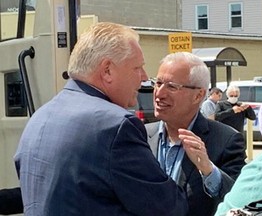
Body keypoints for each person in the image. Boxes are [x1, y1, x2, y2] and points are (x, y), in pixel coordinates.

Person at [14, 22, 188, 215]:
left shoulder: (39, 117)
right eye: (137, 68)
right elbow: (167, 208)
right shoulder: (116, 126)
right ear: (107, 71)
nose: (145, 77)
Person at [145, 52, 247, 216]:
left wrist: (208, 170)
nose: (159, 93)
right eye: (157, 83)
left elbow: (238, 201)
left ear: (198, 95)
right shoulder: (140, 135)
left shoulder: (226, 140)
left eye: (171, 86)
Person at [215, 85, 262, 216]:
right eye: (232, 94)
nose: (234, 96)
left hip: (237, 140)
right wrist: (232, 111)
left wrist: (246, 108)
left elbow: (252, 117)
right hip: (225, 141)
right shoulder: (222, 105)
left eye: (236, 94)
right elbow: (216, 117)